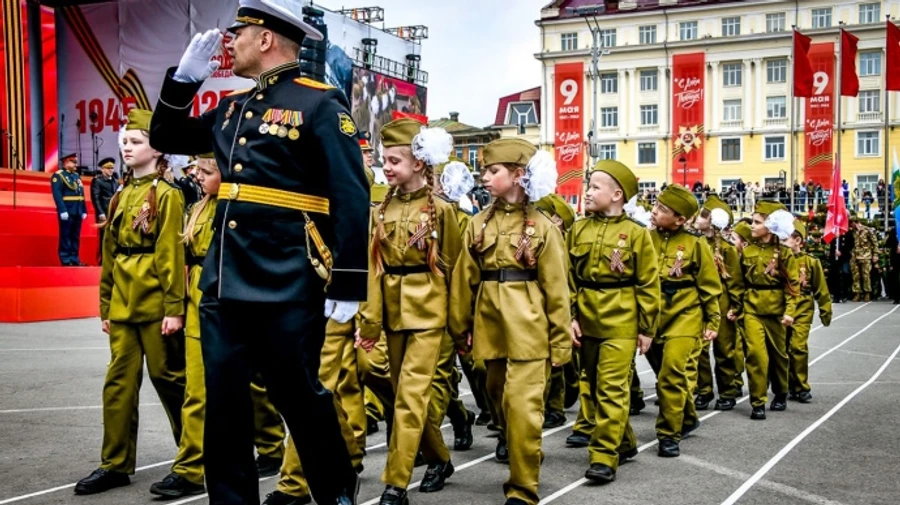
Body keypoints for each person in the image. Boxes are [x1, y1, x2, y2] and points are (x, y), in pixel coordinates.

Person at [149, 1, 369, 503]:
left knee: (299, 397)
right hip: (225, 281)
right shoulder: (231, 107)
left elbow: (352, 196)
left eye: (240, 33)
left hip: (287, 277)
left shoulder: (318, 104)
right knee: (223, 408)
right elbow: (165, 135)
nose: (232, 42)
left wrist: (349, 280)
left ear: (266, 39)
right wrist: (184, 82)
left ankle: (335, 490)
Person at [449, 138, 571, 505]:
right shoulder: (477, 224)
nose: (484, 177)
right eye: (484, 170)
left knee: (522, 406)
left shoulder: (544, 227)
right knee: (499, 396)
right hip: (490, 326)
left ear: (519, 176)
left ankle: (522, 487)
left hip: (530, 326)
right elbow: (463, 280)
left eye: (493, 171)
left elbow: (557, 288)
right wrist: (460, 328)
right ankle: (524, 447)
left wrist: (561, 341)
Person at [75, 109, 189, 496]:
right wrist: (105, 304)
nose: (126, 146)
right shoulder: (122, 194)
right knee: (118, 384)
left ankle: (195, 460)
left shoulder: (168, 195)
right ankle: (115, 462)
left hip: (156, 304)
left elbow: (170, 254)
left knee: (170, 381)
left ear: (158, 150)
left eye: (136, 141)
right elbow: (110, 252)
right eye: (124, 140)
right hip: (124, 303)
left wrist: (175, 308)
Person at [567, 160, 659, 483]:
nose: (587, 192)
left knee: (611, 388)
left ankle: (604, 455)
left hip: (621, 320)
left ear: (617, 194)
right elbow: (568, 279)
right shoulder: (578, 229)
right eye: (588, 186)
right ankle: (625, 440)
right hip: (587, 319)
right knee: (593, 385)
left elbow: (648, 284)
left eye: (595, 187)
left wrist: (647, 328)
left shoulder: (636, 235)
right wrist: (571, 316)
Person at [648, 184, 721, 458]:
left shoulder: (696, 244)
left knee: (671, 374)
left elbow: (710, 287)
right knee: (662, 373)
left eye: (662, 209)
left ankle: (668, 434)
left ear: (681, 219)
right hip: (653, 316)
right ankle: (687, 416)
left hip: (686, 315)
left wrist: (712, 321)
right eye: (655, 205)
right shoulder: (645, 238)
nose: (654, 211)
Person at [434, 157, 482, 451]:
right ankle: (459, 416)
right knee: (434, 379)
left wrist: (467, 317)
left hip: (457, 307)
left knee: (479, 371)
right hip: (420, 307)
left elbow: (465, 271)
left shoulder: (465, 220)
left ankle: (504, 429)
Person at [741, 201, 799, 420]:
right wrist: (737, 308)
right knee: (755, 355)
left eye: (757, 222)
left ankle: (781, 391)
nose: (752, 226)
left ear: (770, 224)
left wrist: (790, 311)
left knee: (778, 355)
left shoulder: (783, 252)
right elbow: (739, 282)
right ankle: (757, 401)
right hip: (751, 308)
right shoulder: (748, 250)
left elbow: (792, 285)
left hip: (776, 309)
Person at [693, 196, 744, 412]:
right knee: (700, 349)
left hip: (721, 300)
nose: (699, 217)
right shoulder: (696, 243)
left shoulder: (727, 249)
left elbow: (735, 280)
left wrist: (735, 305)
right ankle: (704, 390)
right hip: (699, 299)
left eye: (704, 214)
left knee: (724, 348)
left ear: (713, 221)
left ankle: (727, 391)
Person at [784, 219, 832, 403]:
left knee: (798, 347)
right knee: (783, 349)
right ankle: (787, 384)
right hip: (782, 307)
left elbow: (821, 288)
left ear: (798, 240)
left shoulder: (810, 262)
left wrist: (825, 310)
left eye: (787, 237)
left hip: (803, 307)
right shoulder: (778, 259)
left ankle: (801, 386)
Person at [51, 153, 88, 266]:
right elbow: (57, 194)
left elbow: (81, 193)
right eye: (73, 162)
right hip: (67, 209)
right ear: (66, 162)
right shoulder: (58, 176)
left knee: (75, 236)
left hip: (77, 209)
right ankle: (66, 259)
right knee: (66, 235)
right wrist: (62, 210)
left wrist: (84, 210)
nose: (76, 164)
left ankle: (75, 258)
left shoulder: (76, 176)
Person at [849, 218, 878, 302]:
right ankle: (857, 293)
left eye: (851, 224)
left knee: (866, 275)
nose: (851, 226)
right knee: (855, 276)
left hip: (866, 256)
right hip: (854, 256)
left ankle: (867, 293)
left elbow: (875, 243)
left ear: (855, 222)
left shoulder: (867, 230)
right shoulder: (852, 232)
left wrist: (875, 255)